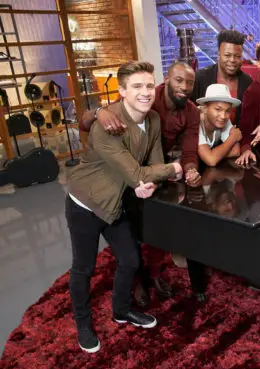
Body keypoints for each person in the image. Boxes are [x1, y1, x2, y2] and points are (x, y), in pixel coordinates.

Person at [66, 61, 182, 353]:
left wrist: (150, 182)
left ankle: (121, 311)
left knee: (130, 260)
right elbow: (139, 174)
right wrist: (173, 169)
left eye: (148, 85)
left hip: (117, 203)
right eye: (136, 87)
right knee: (84, 267)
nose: (145, 92)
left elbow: (150, 166)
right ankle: (83, 324)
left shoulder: (153, 119)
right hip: (87, 204)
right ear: (121, 91)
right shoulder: (108, 126)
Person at [79, 61, 202, 307]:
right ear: (166, 80)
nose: (185, 87)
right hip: (124, 169)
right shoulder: (146, 96)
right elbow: (89, 121)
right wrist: (98, 112)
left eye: (190, 82)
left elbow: (189, 152)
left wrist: (190, 170)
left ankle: (154, 273)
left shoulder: (191, 111)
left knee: (160, 225)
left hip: (156, 169)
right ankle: (136, 280)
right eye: (179, 80)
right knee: (130, 231)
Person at [190, 29, 253, 125]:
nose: (232, 60)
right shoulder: (200, 78)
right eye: (227, 55)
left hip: (236, 136)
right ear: (219, 54)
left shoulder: (247, 81)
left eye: (237, 56)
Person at [196, 84, 242, 167]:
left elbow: (236, 151)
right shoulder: (195, 122)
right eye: (218, 109)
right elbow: (211, 160)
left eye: (228, 111)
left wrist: (212, 155)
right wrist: (233, 137)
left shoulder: (222, 119)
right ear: (205, 108)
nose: (223, 116)